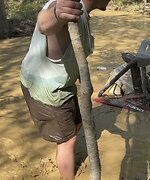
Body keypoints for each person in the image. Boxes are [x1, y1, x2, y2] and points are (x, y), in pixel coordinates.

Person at [20, 0, 110, 179]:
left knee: (76, 125)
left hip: (64, 84)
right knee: (67, 141)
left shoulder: (82, 13)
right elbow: (45, 24)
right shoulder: (69, 7)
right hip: (47, 88)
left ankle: (65, 161)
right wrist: (56, 13)